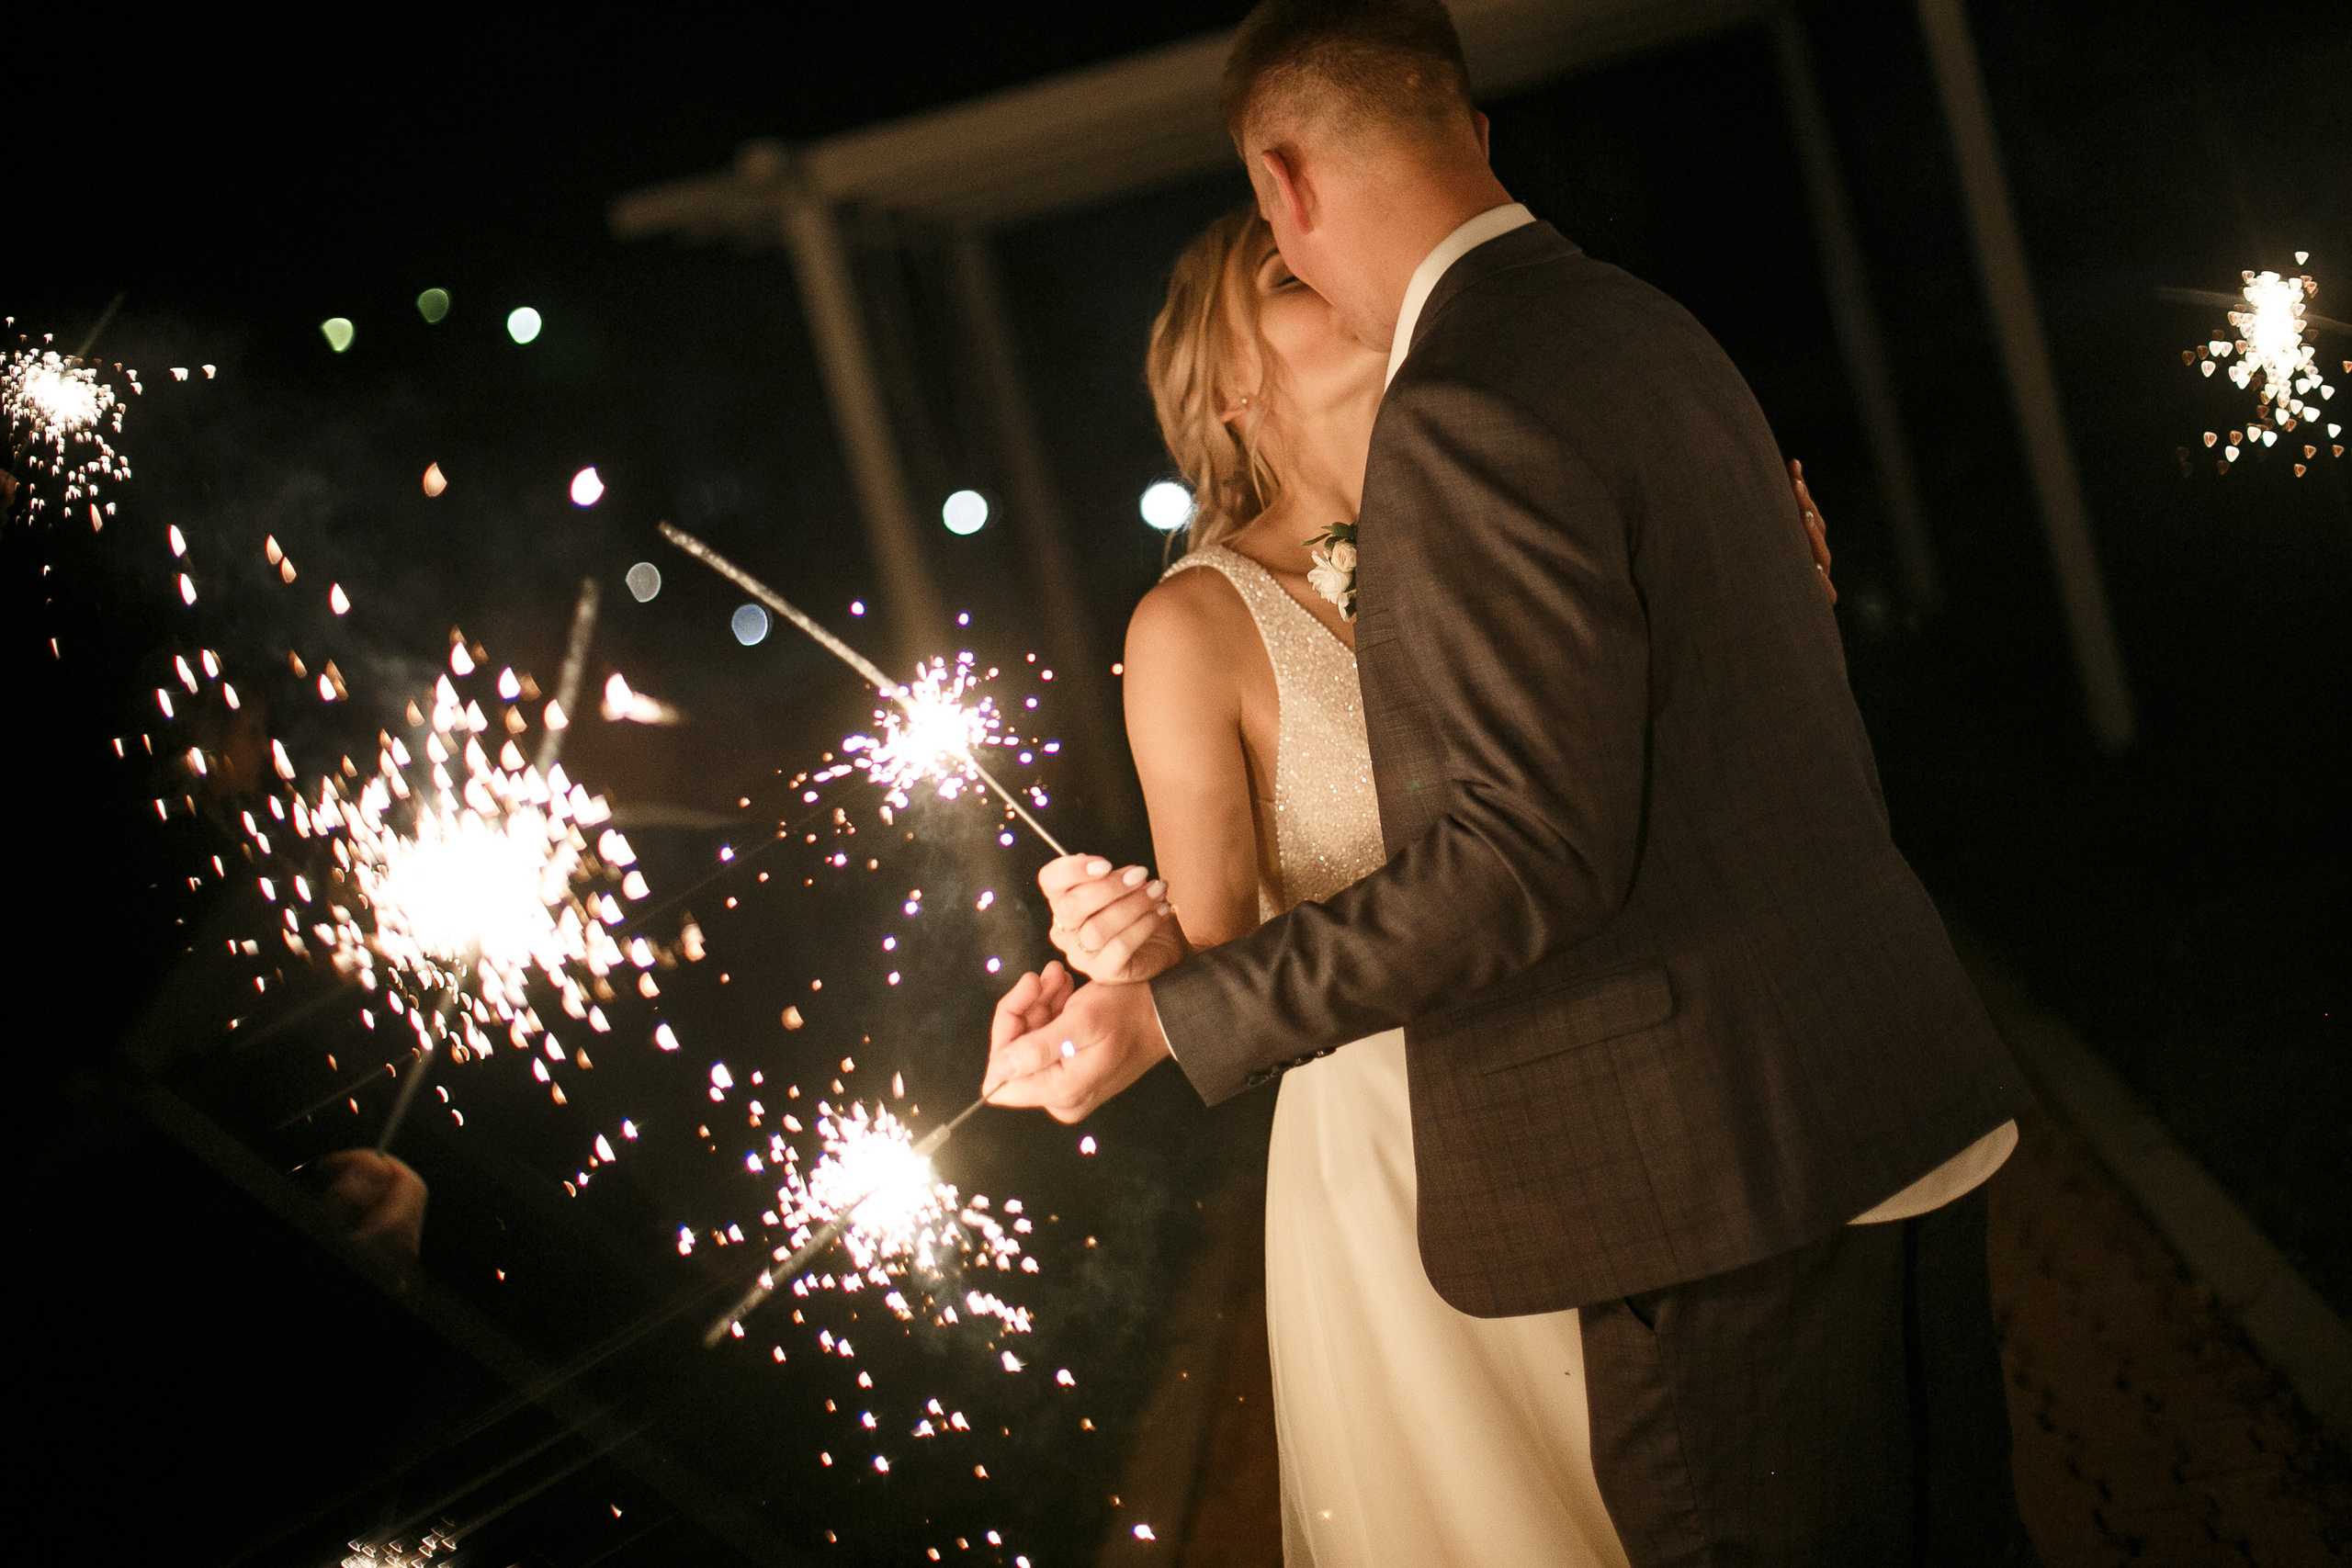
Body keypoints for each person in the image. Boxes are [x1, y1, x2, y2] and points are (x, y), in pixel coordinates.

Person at [987, 3, 2034, 1563]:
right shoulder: (1638, 329)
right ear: (1471, 134)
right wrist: (1134, 963)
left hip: (1695, 1173)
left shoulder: (1468, 415)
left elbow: (1523, 856)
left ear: (1286, 179)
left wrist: (1162, 1022)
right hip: (1856, 1099)